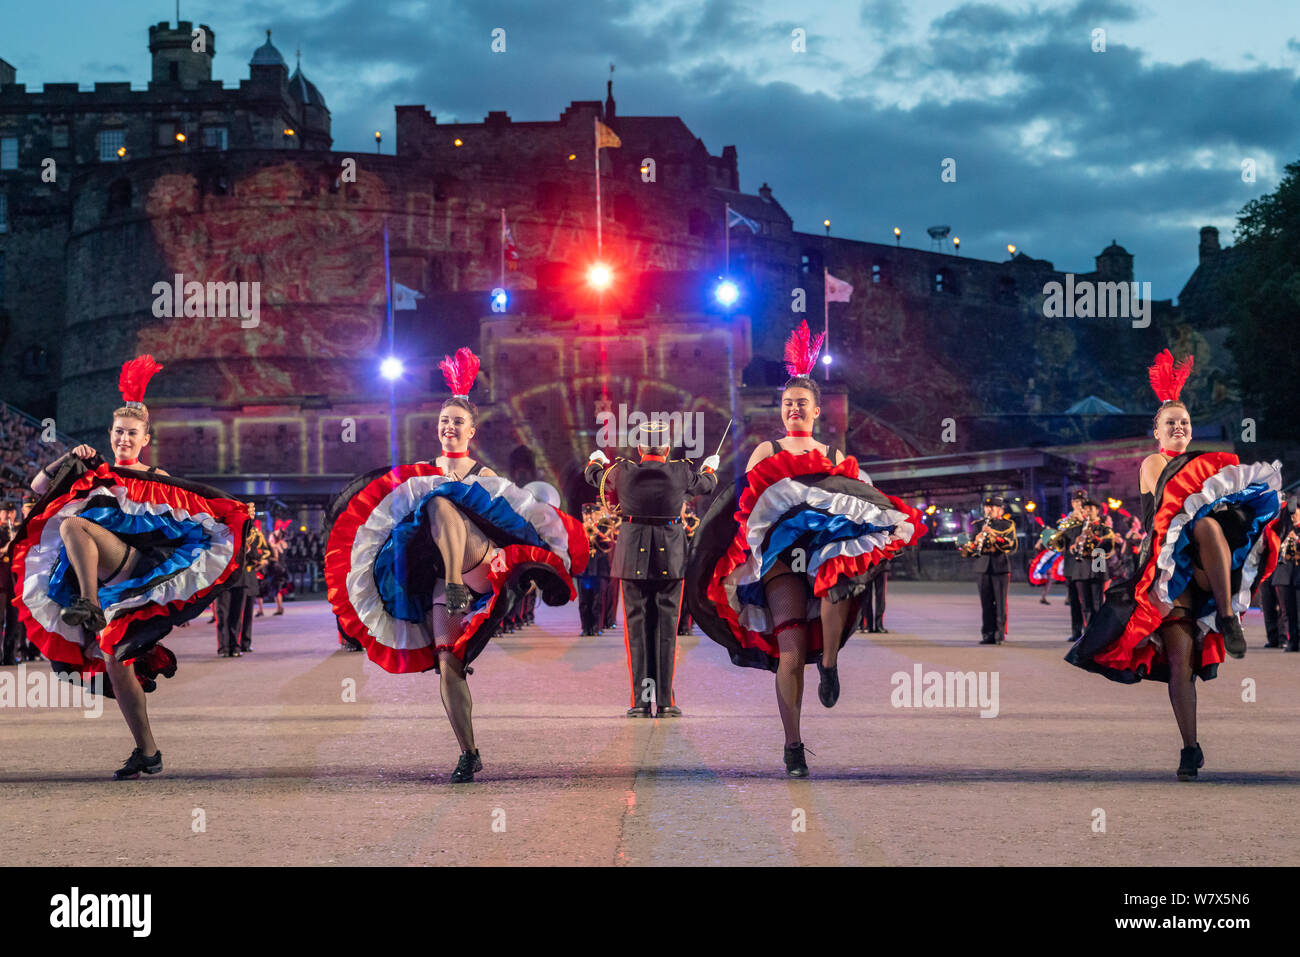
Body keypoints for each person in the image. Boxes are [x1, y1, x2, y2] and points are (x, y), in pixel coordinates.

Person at [325, 347, 588, 783]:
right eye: (445, 420)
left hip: (478, 571)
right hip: (440, 581)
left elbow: (530, 516)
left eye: (458, 421)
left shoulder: (487, 479)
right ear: (438, 427)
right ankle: (469, 752)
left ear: (472, 430)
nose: (449, 427)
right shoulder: (417, 477)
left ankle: (453, 584)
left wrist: (552, 560)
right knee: (448, 664)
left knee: (444, 500)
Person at [687, 321, 927, 776]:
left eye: (802, 403)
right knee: (791, 650)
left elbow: (860, 501)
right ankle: (792, 744)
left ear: (817, 410)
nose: (794, 408)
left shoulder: (838, 458)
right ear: (780, 411)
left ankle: (831, 663)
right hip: (780, 560)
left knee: (835, 582)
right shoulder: (765, 451)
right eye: (787, 403)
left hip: (824, 555)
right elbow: (744, 507)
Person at [9, 355, 252, 778]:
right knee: (113, 656)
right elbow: (37, 488)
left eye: (131, 434)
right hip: (106, 581)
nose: (124, 438)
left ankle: (86, 603)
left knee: (74, 523)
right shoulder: (93, 471)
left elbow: (198, 512)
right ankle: (148, 751)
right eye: (118, 432)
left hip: (135, 567)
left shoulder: (157, 478)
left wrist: (236, 513)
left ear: (145, 439)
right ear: (110, 435)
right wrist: (67, 457)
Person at [1066, 350, 1283, 780]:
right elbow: (1178, 500)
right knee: (1181, 664)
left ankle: (1227, 615)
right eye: (1171, 423)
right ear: (1157, 431)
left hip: (1207, 565)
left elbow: (1221, 501)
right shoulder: (1154, 463)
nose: (1179, 427)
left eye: (1184, 421)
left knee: (1210, 530)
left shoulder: (1207, 463)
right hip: (1169, 569)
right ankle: (1190, 748)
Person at [584, 419, 718, 717]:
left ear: (640, 448)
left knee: (637, 631)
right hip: (670, 556)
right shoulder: (681, 470)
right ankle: (666, 701)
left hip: (632, 556)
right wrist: (710, 467)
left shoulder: (623, 471)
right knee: (667, 629)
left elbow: (594, 476)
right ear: (667, 449)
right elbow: (707, 484)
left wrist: (596, 460)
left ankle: (641, 702)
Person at [959, 495, 1017, 644]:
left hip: (1000, 567)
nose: (989, 510)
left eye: (993, 507)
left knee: (1000, 602)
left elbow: (1011, 546)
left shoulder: (1007, 525)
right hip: (982, 567)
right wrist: (975, 541)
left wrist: (994, 535)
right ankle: (987, 634)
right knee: (985, 603)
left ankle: (999, 634)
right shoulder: (978, 525)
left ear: (1000, 509)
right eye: (986, 507)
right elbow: (970, 549)